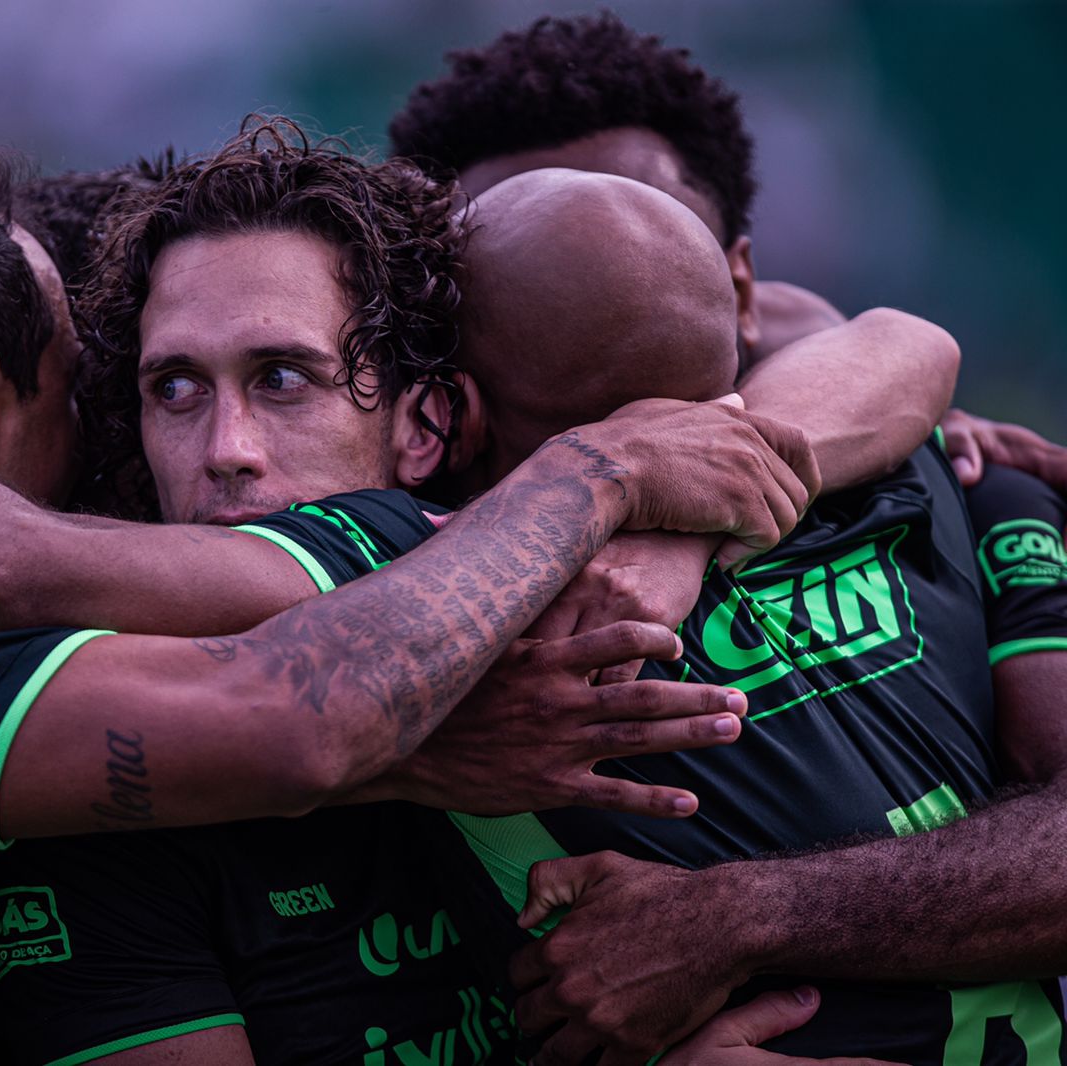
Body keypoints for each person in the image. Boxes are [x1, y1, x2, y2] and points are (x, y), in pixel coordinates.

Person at [0, 122, 958, 1064]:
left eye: (286, 378)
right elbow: (106, 613)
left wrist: (726, 475)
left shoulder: (459, 551)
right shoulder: (89, 736)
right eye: (169, 387)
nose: (229, 448)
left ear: (432, 426)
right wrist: (610, 476)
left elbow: (878, 336)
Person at [445, 170, 1067, 1065]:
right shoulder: (454, 583)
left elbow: (903, 342)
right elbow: (905, 340)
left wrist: (734, 916)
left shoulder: (938, 468)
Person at [387, 10, 1067, 488]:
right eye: (517, 245)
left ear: (738, 289)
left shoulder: (836, 375)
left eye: (648, 237)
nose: (589, 275)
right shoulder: (381, 476)